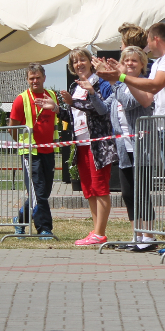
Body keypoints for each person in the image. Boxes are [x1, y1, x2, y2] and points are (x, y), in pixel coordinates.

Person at [94, 22, 165, 254]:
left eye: (148, 42)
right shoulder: (160, 62)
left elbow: (154, 85)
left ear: (155, 39)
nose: (146, 47)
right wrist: (118, 78)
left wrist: (120, 76)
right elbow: (147, 97)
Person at [50, 48, 116, 246]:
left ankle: (100, 232)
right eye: (75, 61)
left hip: (98, 144)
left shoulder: (100, 82)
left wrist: (75, 102)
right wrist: (57, 109)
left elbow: (102, 109)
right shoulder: (74, 87)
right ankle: (96, 231)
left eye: (82, 60)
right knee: (89, 189)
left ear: (90, 62)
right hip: (81, 144)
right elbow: (73, 116)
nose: (79, 64)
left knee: (100, 188)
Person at [107, 45, 157, 250]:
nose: (129, 64)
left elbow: (128, 103)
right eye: (126, 60)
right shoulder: (119, 86)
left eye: (134, 60)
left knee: (142, 192)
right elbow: (104, 108)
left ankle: (149, 236)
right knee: (128, 194)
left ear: (142, 64)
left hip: (141, 147)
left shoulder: (143, 84)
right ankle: (137, 235)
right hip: (124, 148)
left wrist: (116, 80)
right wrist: (91, 92)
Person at [9, 63, 58, 239]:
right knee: (38, 191)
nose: (35, 81)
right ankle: (44, 228)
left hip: (48, 151)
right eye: (31, 78)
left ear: (44, 78)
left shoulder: (52, 95)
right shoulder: (21, 99)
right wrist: (24, 144)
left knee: (43, 192)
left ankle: (20, 219)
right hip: (30, 153)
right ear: (27, 80)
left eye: (38, 77)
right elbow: (12, 128)